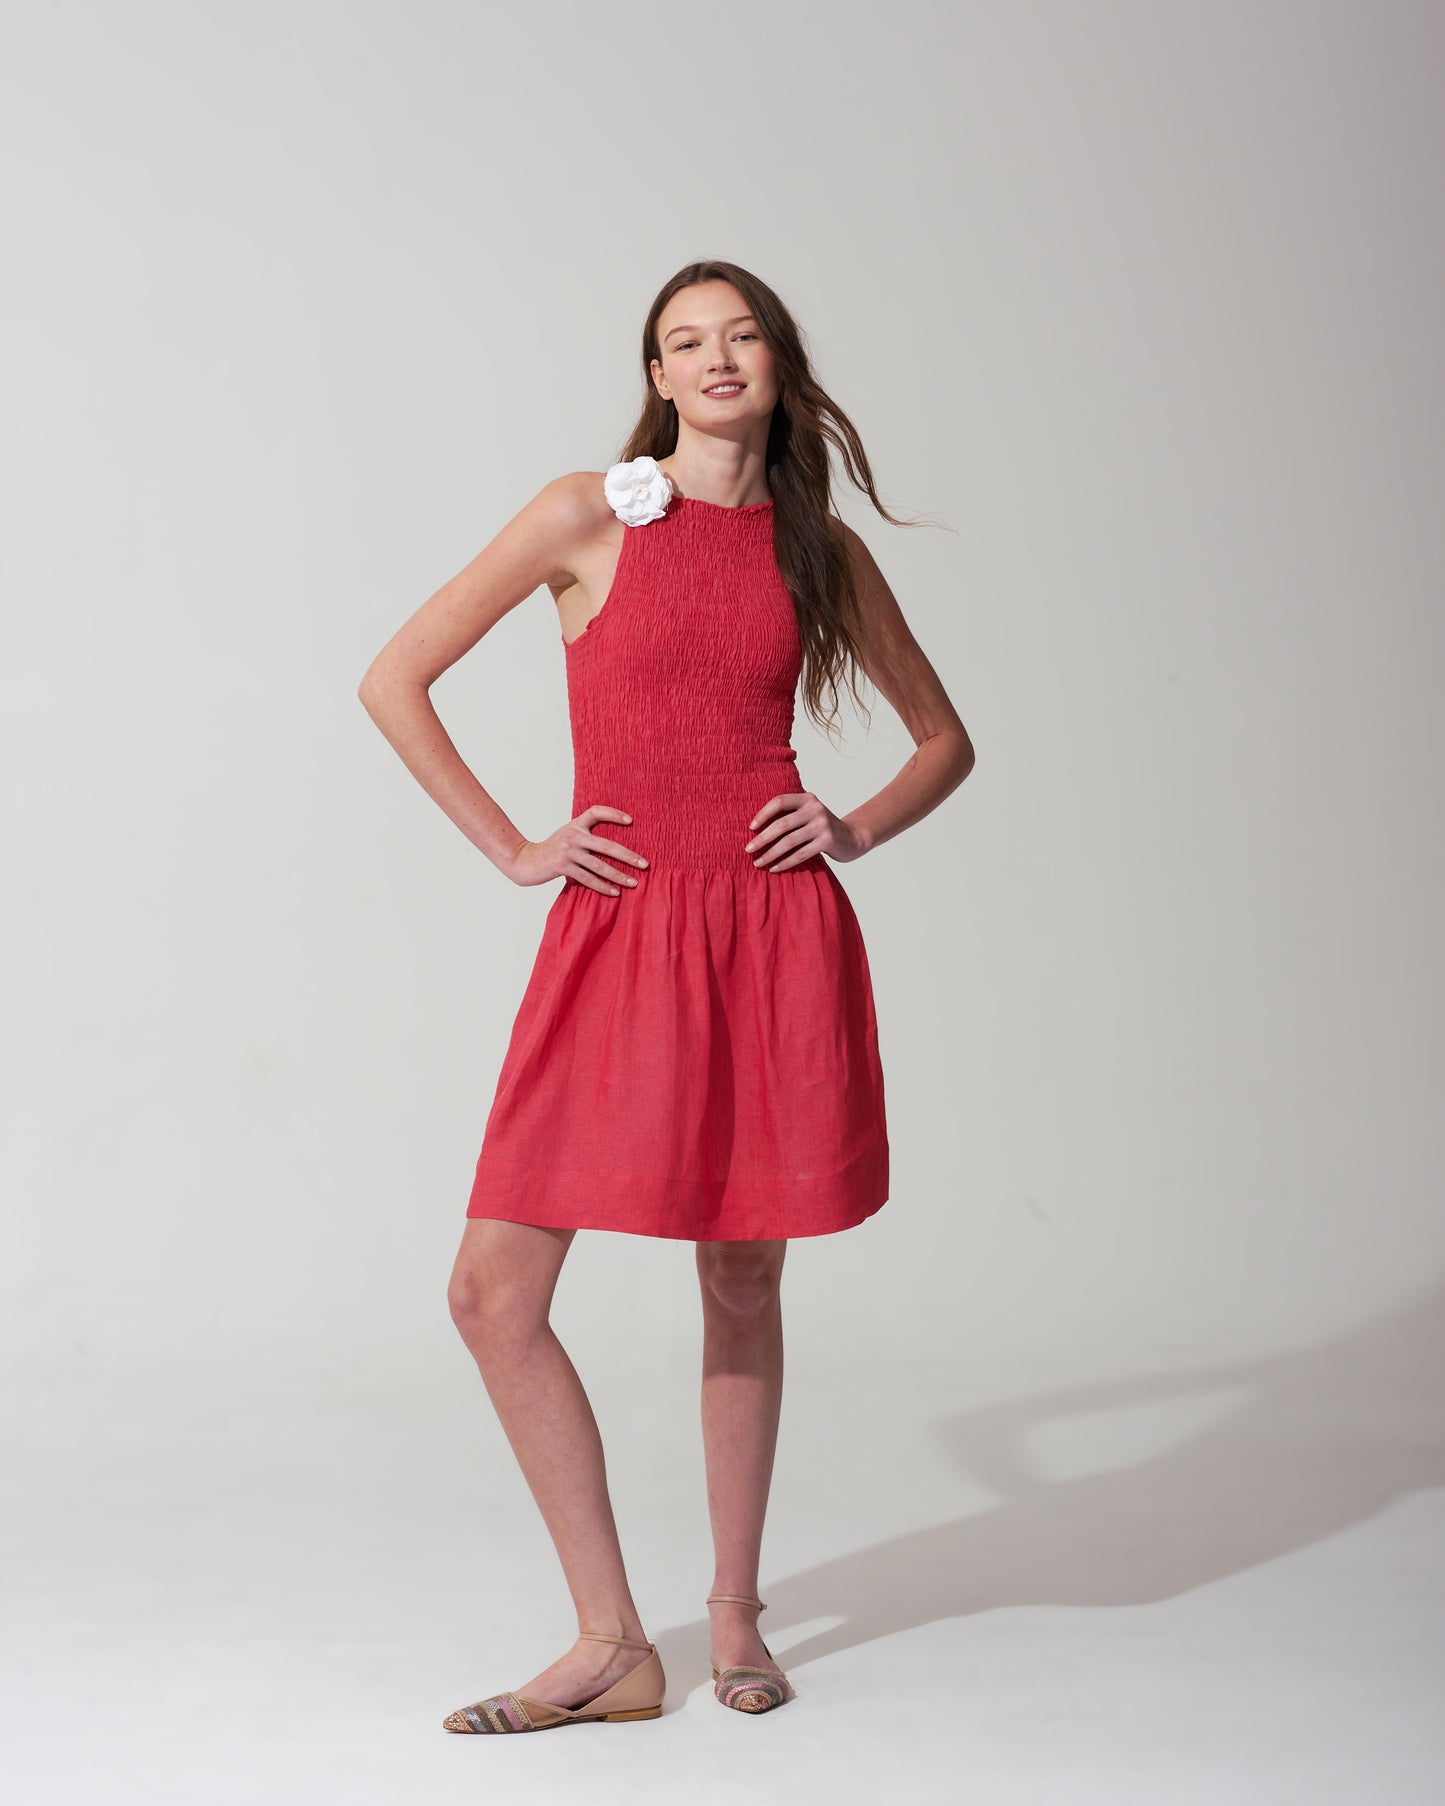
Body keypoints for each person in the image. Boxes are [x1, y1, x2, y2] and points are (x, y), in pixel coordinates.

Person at [357, 260, 975, 1733]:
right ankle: (610, 1638)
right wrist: (516, 843)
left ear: (778, 360)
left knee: (742, 1272)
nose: (712, 358)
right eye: (681, 341)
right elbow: (394, 676)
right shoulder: (590, 509)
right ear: (655, 372)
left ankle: (737, 1614)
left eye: (738, 333)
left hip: (767, 933)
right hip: (617, 930)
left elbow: (944, 737)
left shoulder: (813, 547)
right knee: (490, 1290)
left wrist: (854, 824)